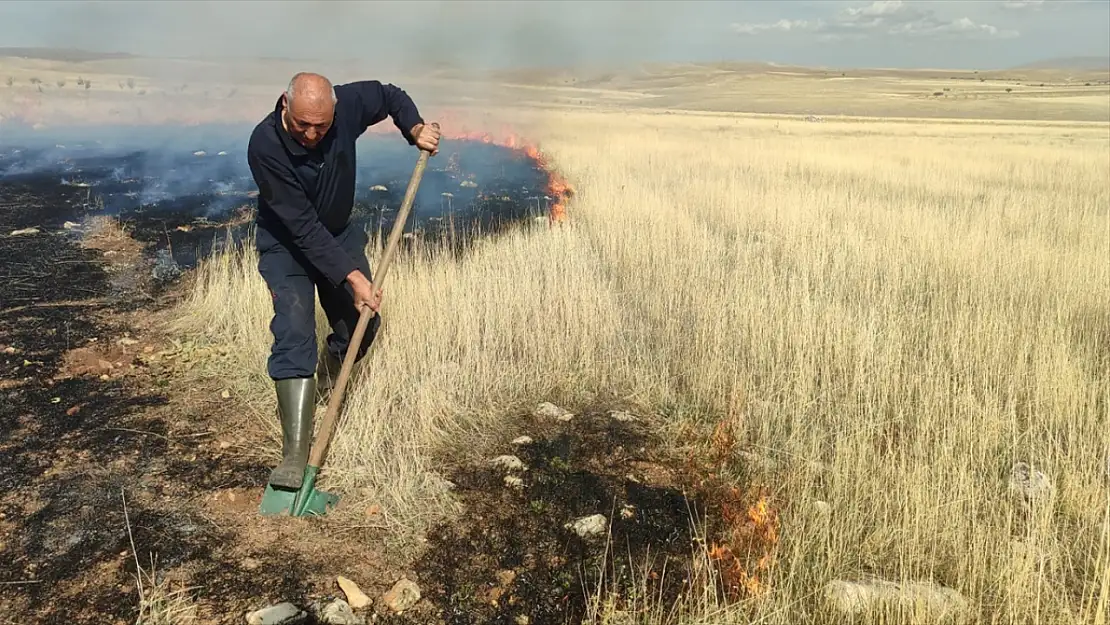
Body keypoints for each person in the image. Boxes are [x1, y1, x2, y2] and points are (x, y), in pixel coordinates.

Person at [246, 72, 440, 490]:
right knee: (294, 329)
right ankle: (295, 457)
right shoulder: (264, 145)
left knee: (362, 325)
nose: (313, 134)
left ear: (335, 111)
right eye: (303, 125)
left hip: (337, 234)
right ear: (284, 104)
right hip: (288, 245)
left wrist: (415, 127)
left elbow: (389, 95)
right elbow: (302, 229)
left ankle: (327, 379)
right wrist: (353, 277)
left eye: (323, 124)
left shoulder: (347, 106)